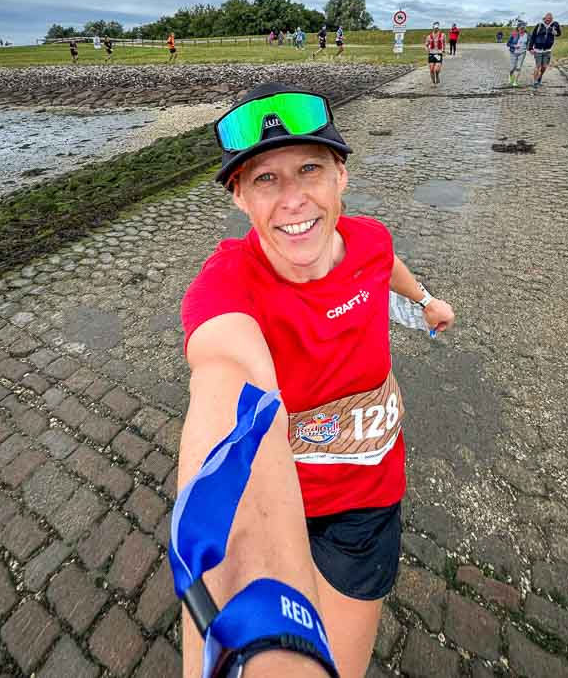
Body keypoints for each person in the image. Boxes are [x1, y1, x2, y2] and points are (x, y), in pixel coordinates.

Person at [179, 83, 455, 678]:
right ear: (238, 199)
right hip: (286, 501)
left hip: (368, 501)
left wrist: (427, 299)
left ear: (341, 179)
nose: (293, 199)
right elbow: (223, 369)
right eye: (264, 179)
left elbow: (385, 265)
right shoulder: (229, 284)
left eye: (310, 169)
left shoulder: (370, 239)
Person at [528, 12, 562, 88]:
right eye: (547, 19)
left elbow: (559, 34)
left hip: (547, 50)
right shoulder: (539, 25)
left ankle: (539, 78)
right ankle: (535, 82)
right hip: (538, 50)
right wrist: (530, 48)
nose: (548, 20)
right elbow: (533, 37)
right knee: (538, 66)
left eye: (550, 19)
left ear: (552, 19)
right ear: (544, 18)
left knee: (544, 67)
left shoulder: (555, 25)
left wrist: (556, 32)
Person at [506, 21, 528, 86]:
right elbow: (508, 44)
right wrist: (514, 45)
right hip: (513, 52)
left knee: (518, 67)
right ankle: (510, 76)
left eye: (523, 28)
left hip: (522, 53)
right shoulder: (514, 34)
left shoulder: (527, 35)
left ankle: (515, 81)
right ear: (518, 28)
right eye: (521, 28)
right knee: (513, 67)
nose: (522, 29)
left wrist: (530, 48)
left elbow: (530, 42)